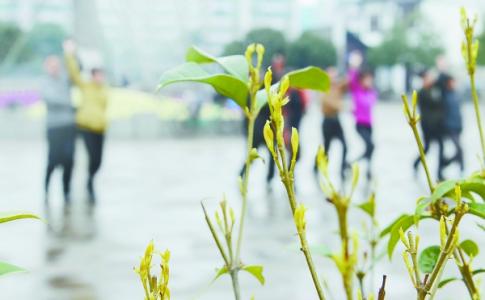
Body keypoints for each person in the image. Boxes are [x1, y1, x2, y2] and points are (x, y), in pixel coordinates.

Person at [63, 40, 108, 203]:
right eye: (97, 75)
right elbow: (74, 73)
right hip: (86, 127)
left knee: (98, 160)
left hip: (101, 128)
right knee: (91, 156)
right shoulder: (86, 86)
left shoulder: (105, 89)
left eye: (101, 75)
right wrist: (70, 54)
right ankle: (89, 186)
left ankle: (90, 179)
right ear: (92, 76)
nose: (100, 77)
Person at [42, 55, 76, 205]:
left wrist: (70, 54)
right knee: (53, 160)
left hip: (69, 126)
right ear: (47, 67)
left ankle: (66, 191)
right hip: (54, 128)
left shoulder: (65, 79)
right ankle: (47, 189)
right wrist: (68, 102)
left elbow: (77, 72)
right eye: (52, 66)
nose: (55, 68)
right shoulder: (44, 82)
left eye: (57, 65)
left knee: (69, 160)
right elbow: (51, 99)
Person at [314, 67, 349, 180]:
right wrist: (340, 106)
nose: (333, 77)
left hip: (336, 120)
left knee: (345, 145)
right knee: (326, 148)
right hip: (327, 121)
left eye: (334, 74)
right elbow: (326, 101)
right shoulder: (323, 88)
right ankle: (317, 166)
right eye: (331, 74)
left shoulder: (338, 87)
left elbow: (348, 81)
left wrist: (353, 67)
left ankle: (342, 169)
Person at [412, 70, 446, 180]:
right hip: (428, 125)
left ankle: (440, 172)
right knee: (427, 148)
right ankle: (416, 163)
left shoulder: (435, 89)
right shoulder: (421, 92)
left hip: (438, 125)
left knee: (441, 147)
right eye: (428, 78)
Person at [348, 55, 377, 179]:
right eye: (366, 79)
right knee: (371, 146)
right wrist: (355, 66)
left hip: (369, 124)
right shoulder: (357, 90)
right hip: (360, 124)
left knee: (370, 148)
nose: (369, 82)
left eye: (370, 79)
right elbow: (352, 79)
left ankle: (368, 170)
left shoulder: (372, 92)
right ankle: (353, 163)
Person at [442, 76, 464, 174]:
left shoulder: (456, 94)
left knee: (459, 149)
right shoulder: (445, 94)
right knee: (459, 148)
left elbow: (458, 112)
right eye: (452, 82)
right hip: (450, 126)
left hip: (457, 125)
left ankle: (448, 163)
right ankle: (460, 167)